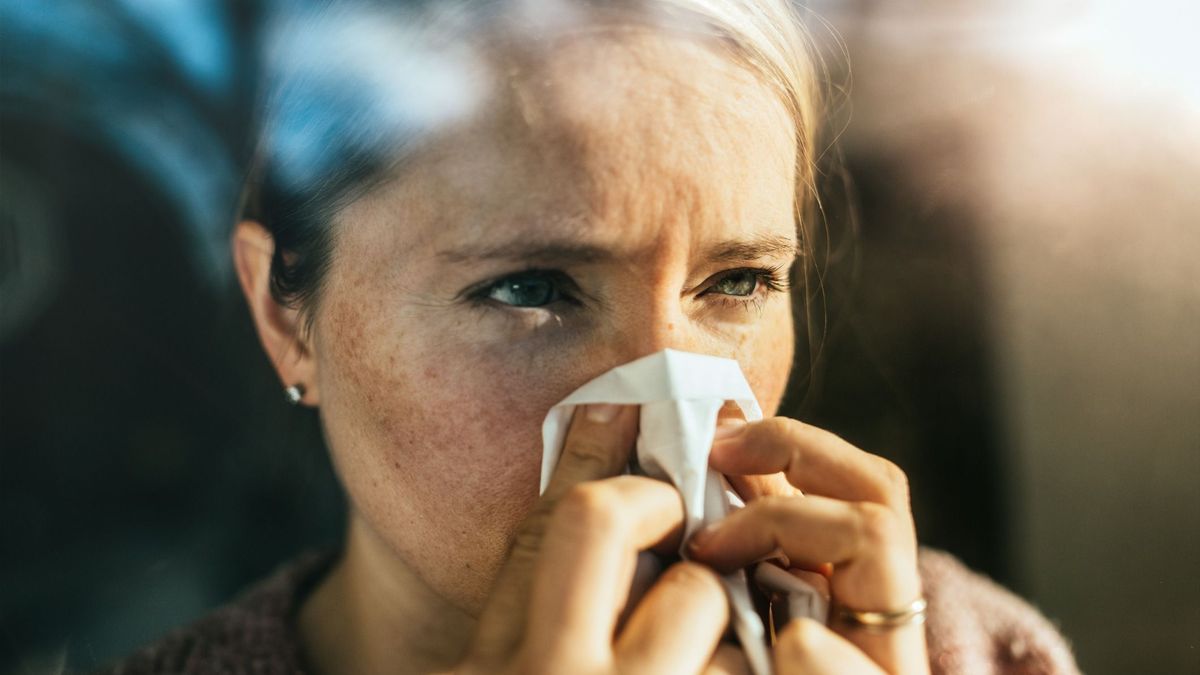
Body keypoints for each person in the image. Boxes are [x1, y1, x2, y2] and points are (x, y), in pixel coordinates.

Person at [102, 1, 1079, 673]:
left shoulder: (975, 651)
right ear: (286, 317)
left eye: (737, 283)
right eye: (530, 289)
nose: (667, 425)